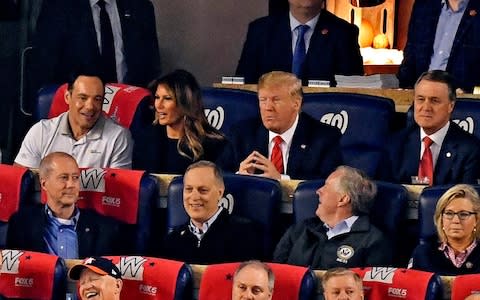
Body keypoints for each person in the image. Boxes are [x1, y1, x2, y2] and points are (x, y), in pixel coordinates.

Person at [219, 71, 342, 180]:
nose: (268, 107)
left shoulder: (324, 137)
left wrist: (281, 180)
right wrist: (239, 176)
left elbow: (328, 185)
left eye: (276, 100)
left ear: (296, 103)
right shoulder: (242, 133)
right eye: (263, 100)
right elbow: (218, 175)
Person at [273, 166, 392, 269]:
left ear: (343, 199)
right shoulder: (300, 229)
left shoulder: (373, 241)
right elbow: (277, 273)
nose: (318, 191)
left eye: (326, 186)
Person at [7, 152, 122, 258]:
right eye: (64, 178)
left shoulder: (106, 228)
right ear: (44, 184)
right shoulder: (21, 223)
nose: (71, 185)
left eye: (75, 178)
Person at [378, 70, 480, 185]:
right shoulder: (395, 144)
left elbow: (468, 199)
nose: (426, 107)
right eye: (421, 99)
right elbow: (385, 193)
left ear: (450, 106)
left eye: (434, 101)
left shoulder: (470, 150)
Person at [31, 0, 160, 90]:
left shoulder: (141, 7)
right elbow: (45, 67)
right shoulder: (58, 8)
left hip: (128, 108)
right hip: (78, 111)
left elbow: (151, 66)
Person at [15, 71, 133, 169]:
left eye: (97, 99)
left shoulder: (118, 137)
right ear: (68, 97)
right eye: (83, 98)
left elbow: (116, 193)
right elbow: (20, 184)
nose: (90, 106)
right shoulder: (40, 132)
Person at [235, 0, 363, 84]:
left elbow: (352, 92)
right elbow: (243, 86)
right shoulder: (260, 31)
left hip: (324, 119)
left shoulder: (344, 33)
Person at [160, 160, 263, 264]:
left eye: (203, 190)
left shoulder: (245, 233)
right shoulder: (173, 239)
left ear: (220, 193)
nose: (194, 197)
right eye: (189, 189)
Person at [132, 69, 230, 174]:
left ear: (185, 103)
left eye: (167, 98)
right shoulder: (145, 137)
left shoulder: (214, 145)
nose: (159, 105)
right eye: (157, 97)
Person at [398, 0, 480, 92]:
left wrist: (468, 93)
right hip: (419, 97)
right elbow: (411, 53)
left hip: (462, 100)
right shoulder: (424, 6)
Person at [409, 184, 480, 275]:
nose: (456, 221)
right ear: (441, 219)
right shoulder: (422, 253)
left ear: (476, 220)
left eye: (463, 214)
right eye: (449, 213)